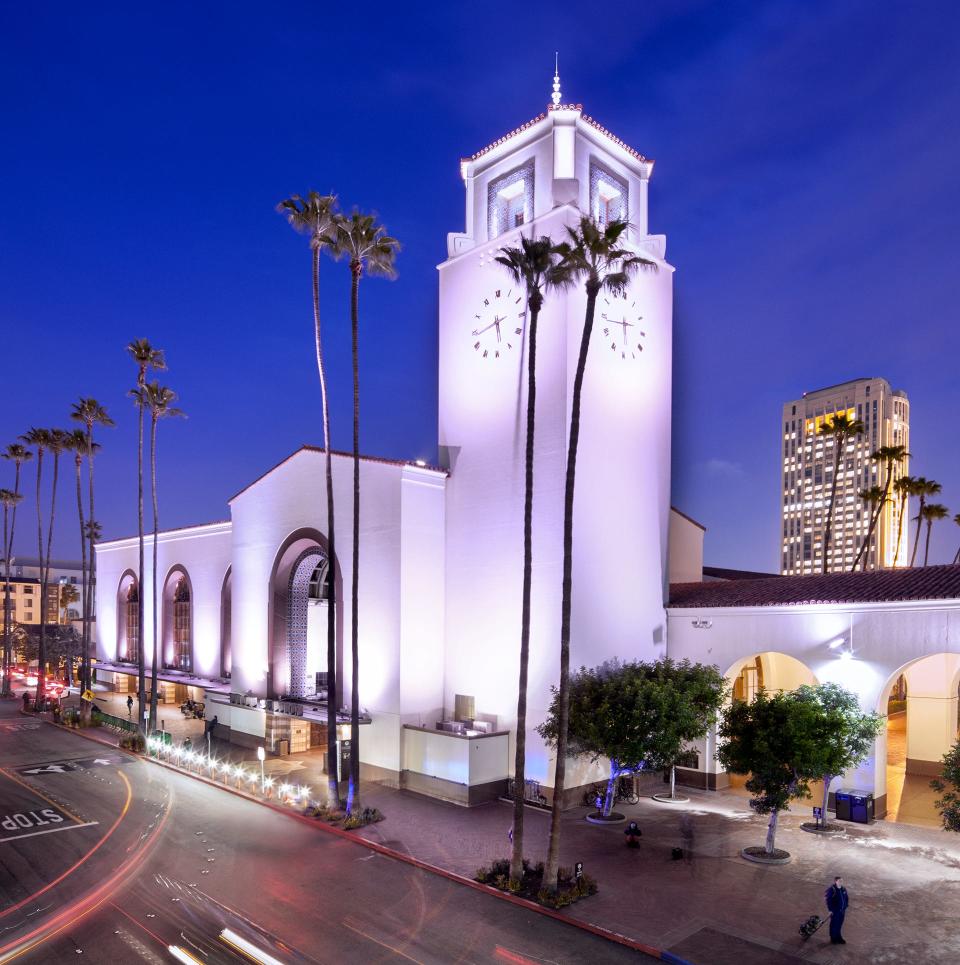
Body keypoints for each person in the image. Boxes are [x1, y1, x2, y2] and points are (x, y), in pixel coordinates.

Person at [825, 876, 849, 944]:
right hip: (835, 911)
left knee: (839, 924)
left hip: (842, 911)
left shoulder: (843, 889)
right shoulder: (832, 890)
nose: (841, 882)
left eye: (841, 881)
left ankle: (838, 937)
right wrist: (830, 910)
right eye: (839, 881)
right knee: (834, 925)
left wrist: (845, 906)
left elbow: (846, 898)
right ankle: (833, 938)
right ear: (835, 881)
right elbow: (828, 901)